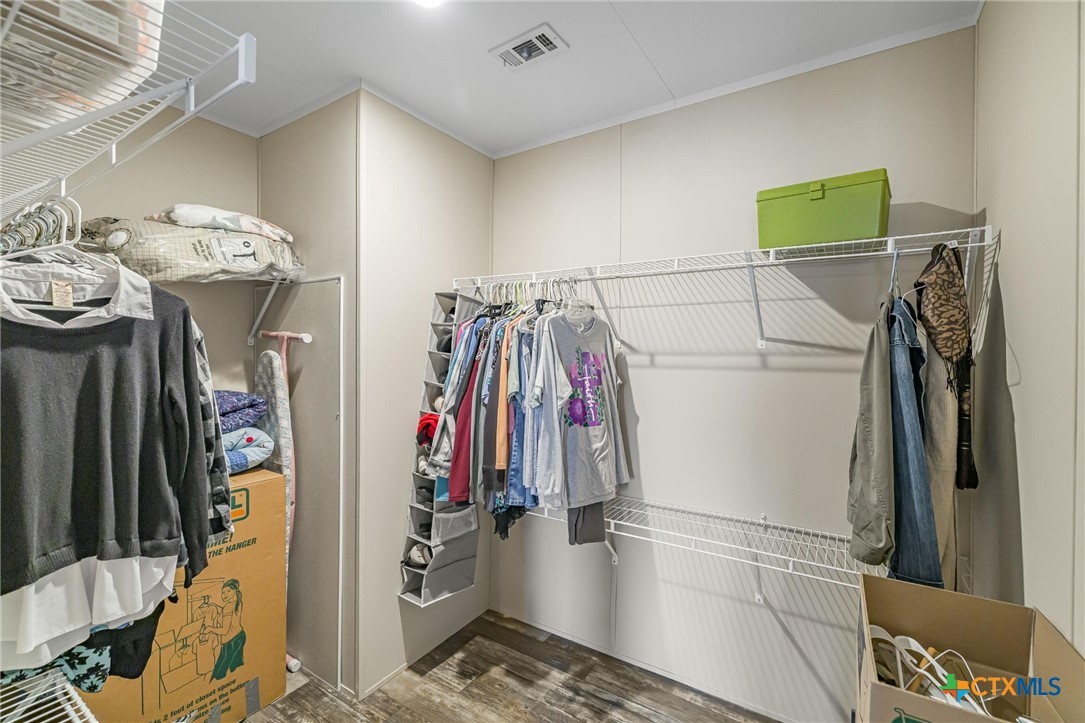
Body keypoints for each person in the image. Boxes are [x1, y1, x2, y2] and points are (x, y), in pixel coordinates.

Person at [204, 580, 245, 680]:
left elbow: (224, 631)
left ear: (235, 591)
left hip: (230, 643)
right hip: (240, 636)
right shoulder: (238, 602)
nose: (224, 594)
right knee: (236, 668)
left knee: (218, 675)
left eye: (228, 591)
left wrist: (209, 629)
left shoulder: (227, 607)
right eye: (223, 592)